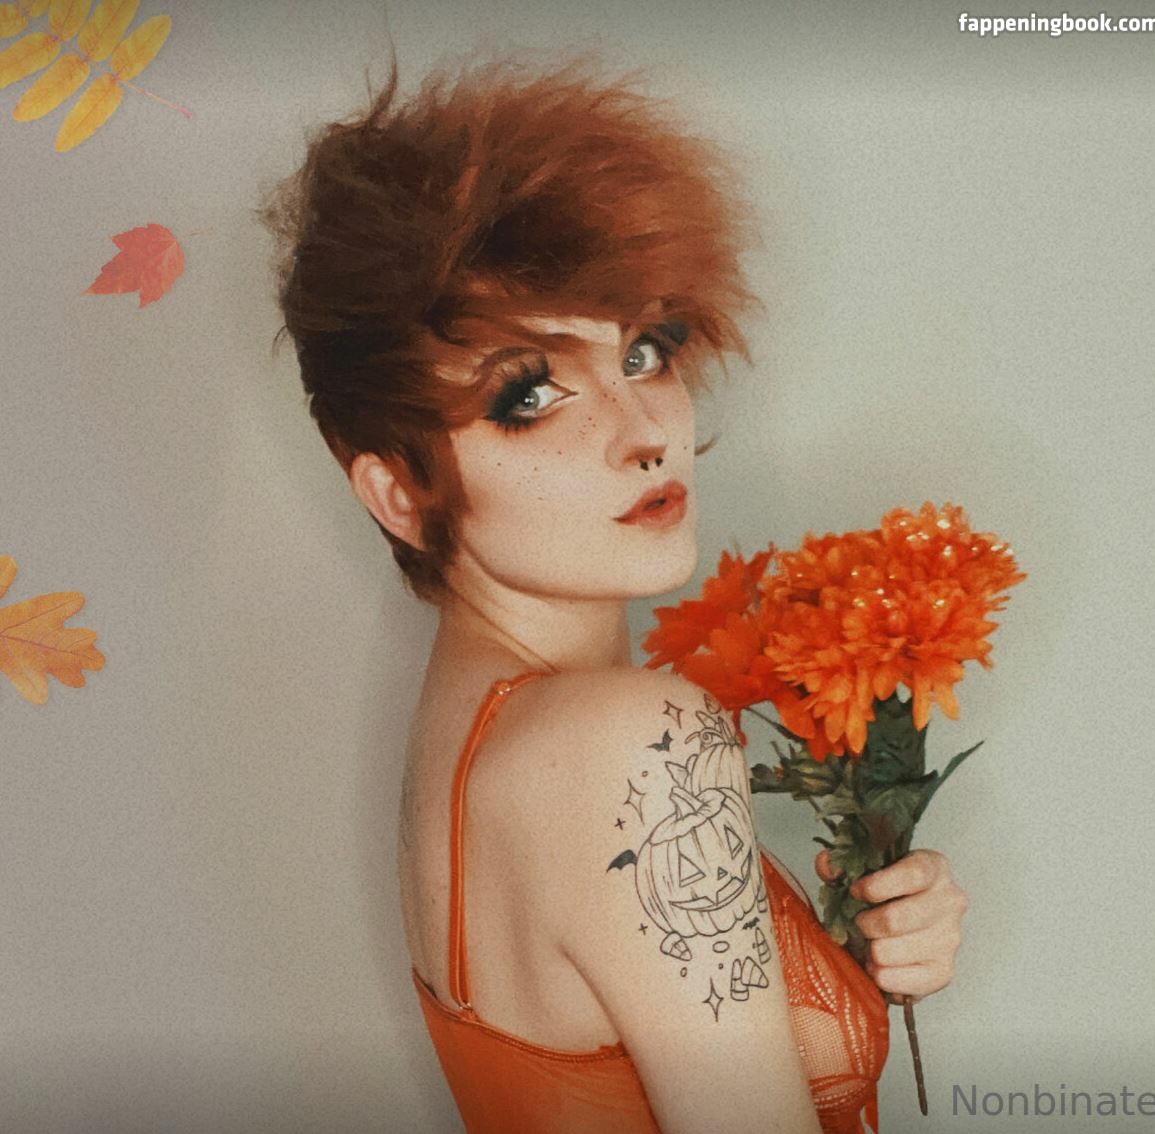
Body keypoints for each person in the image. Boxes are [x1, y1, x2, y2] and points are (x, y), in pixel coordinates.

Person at [259, 45, 969, 1134]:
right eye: (531, 394)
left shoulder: (483, 732)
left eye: (644, 351)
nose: (642, 432)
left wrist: (849, 954)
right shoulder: (631, 743)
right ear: (400, 490)